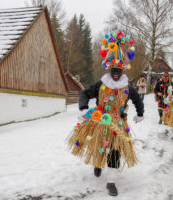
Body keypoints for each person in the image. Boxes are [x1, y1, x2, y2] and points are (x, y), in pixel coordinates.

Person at [68, 30, 144, 196]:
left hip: (118, 123)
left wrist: (140, 113)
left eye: (119, 70)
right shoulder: (101, 84)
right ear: (109, 69)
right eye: (113, 70)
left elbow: (138, 99)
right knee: (99, 146)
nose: (116, 73)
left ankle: (111, 181)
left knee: (115, 150)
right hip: (100, 121)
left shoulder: (127, 87)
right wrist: (83, 108)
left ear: (122, 70)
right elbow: (84, 93)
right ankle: (97, 163)